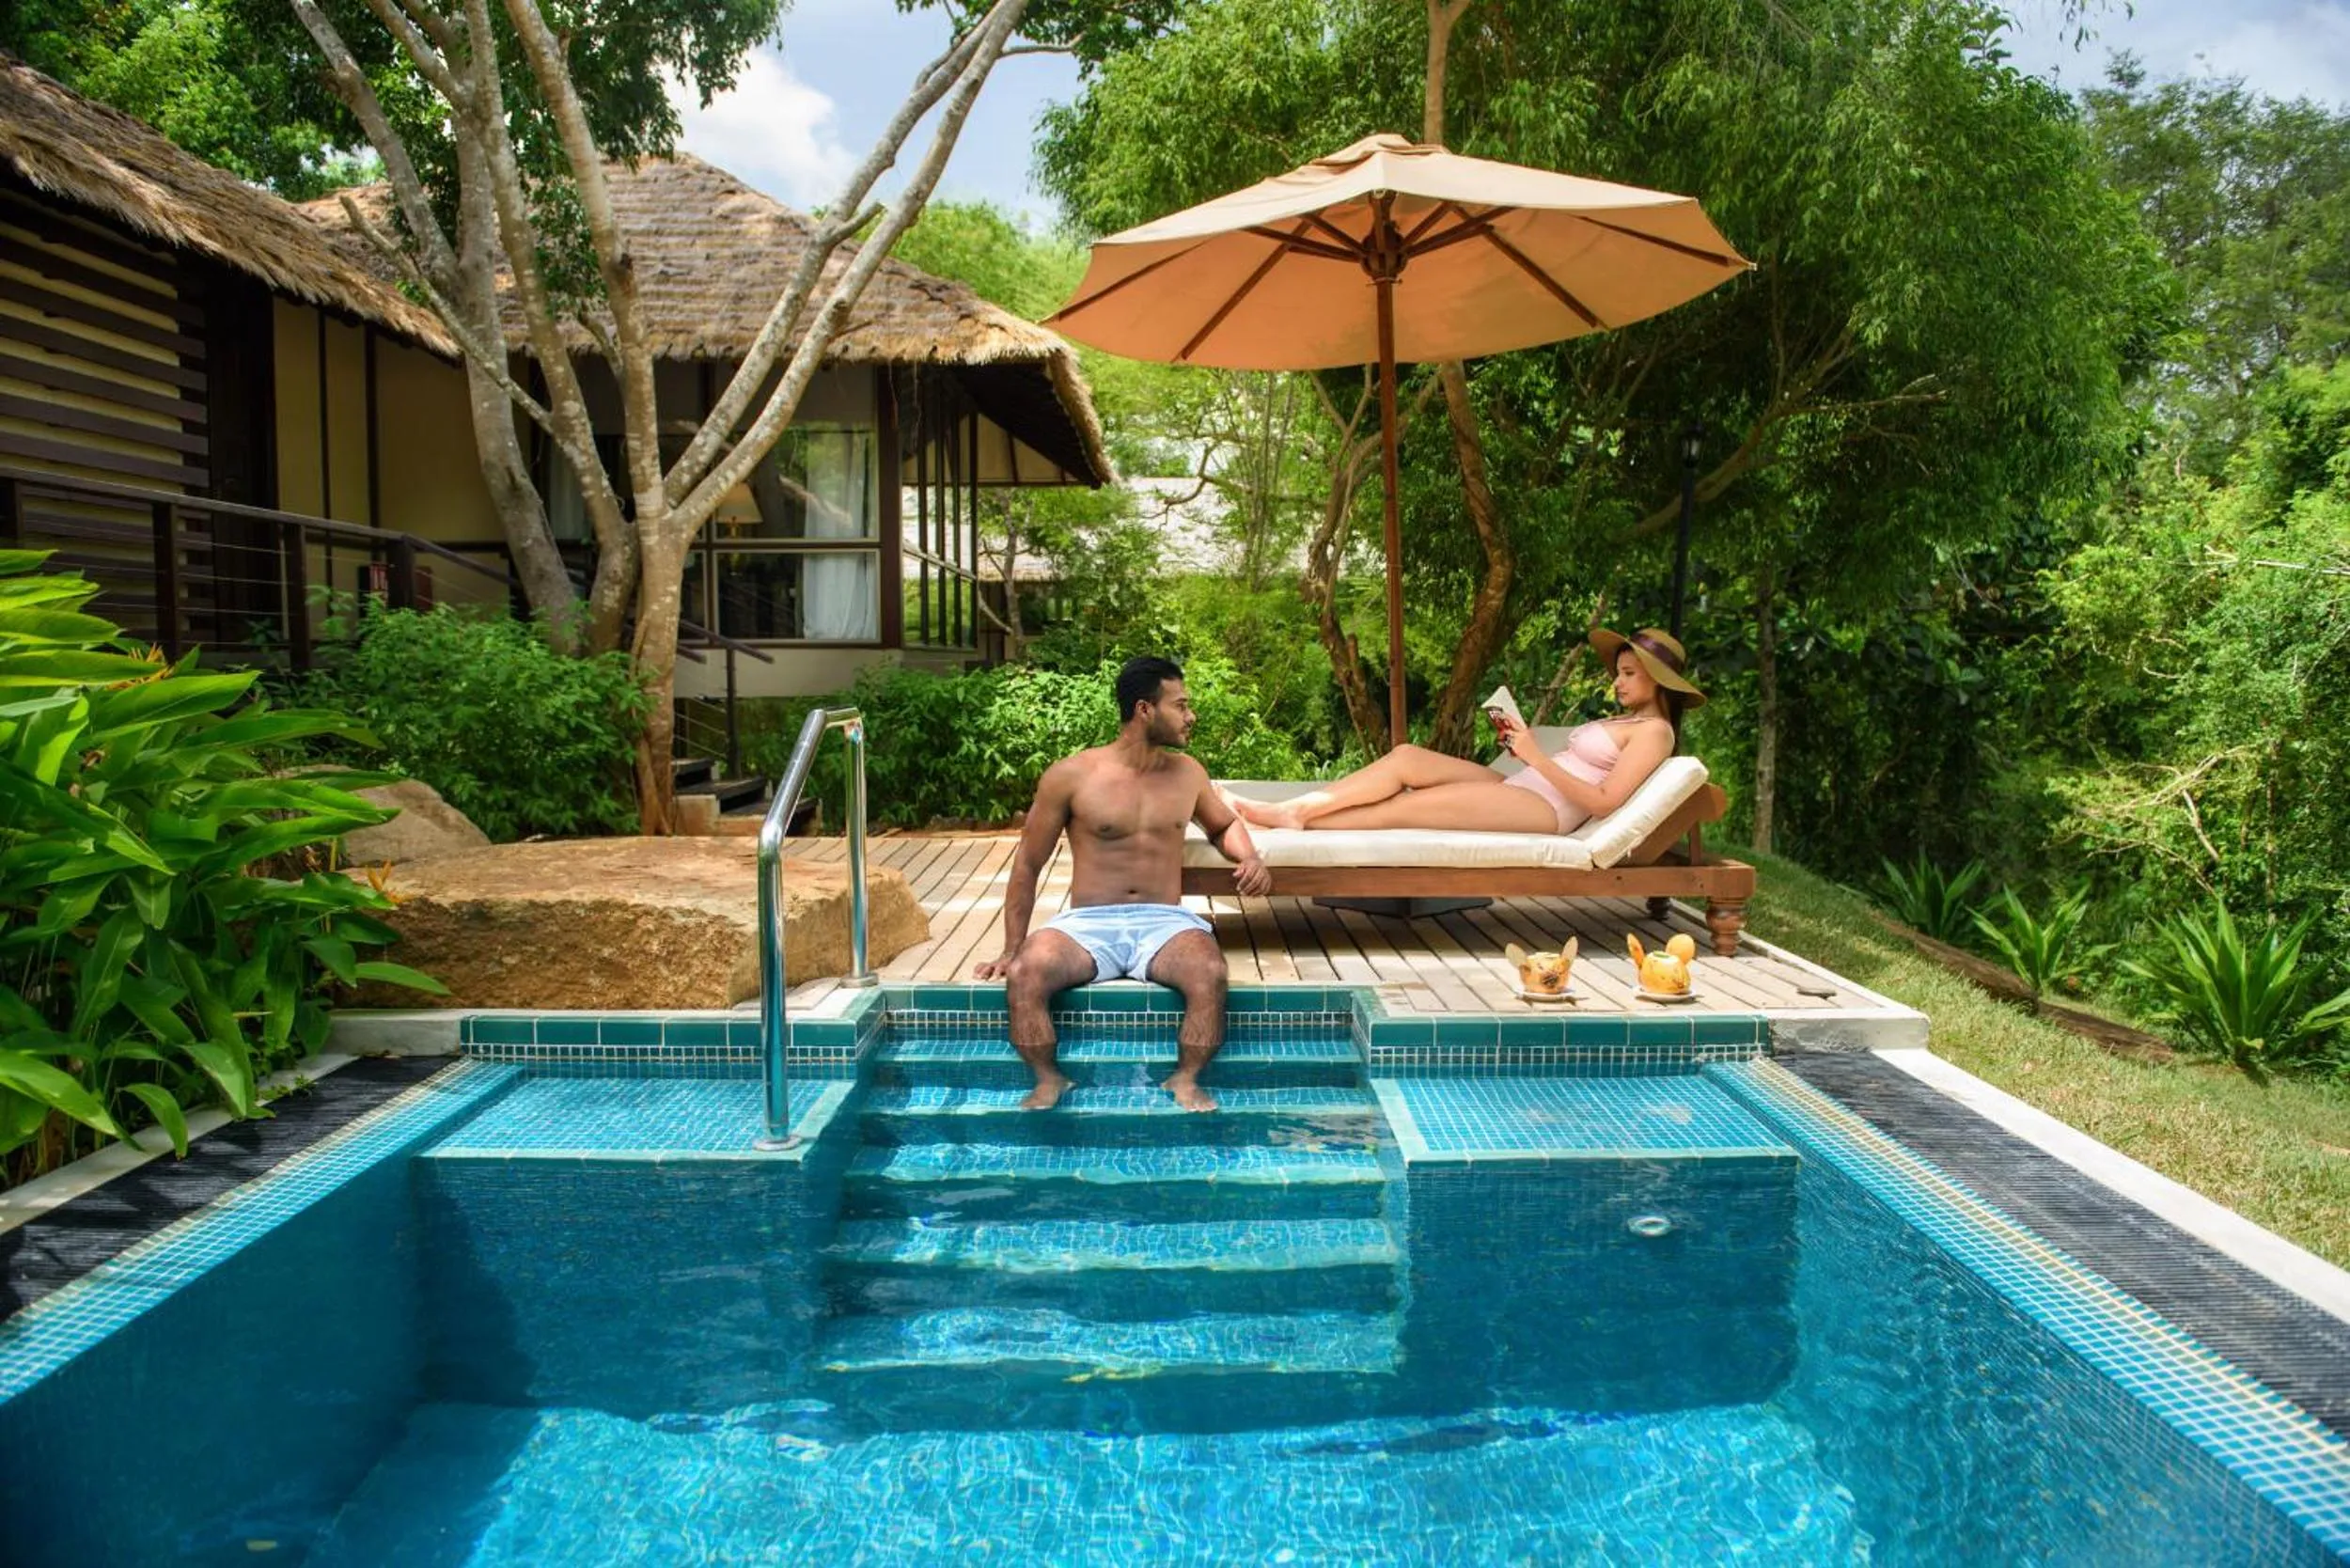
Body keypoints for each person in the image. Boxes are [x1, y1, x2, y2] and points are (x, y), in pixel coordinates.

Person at [974, 655, 1273, 1112]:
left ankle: (1186, 1079)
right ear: (1144, 710)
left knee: (1209, 972)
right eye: (1181, 706)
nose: (1191, 717)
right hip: (1088, 924)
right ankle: (1049, 1079)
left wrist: (1249, 855)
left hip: (1164, 923)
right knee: (1026, 973)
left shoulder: (1187, 773)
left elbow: (1222, 825)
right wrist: (1013, 946)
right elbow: (1027, 865)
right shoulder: (1072, 776)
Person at [1230, 628, 1705, 835]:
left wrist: (1537, 758)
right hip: (1525, 785)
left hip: (1547, 809)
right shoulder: (1627, 721)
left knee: (1407, 807)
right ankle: (1299, 808)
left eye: (1628, 673)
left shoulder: (1655, 732)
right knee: (1407, 757)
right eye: (1618, 672)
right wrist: (1526, 751)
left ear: (1658, 679)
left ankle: (1300, 823)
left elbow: (1604, 801)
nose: (1617, 681)